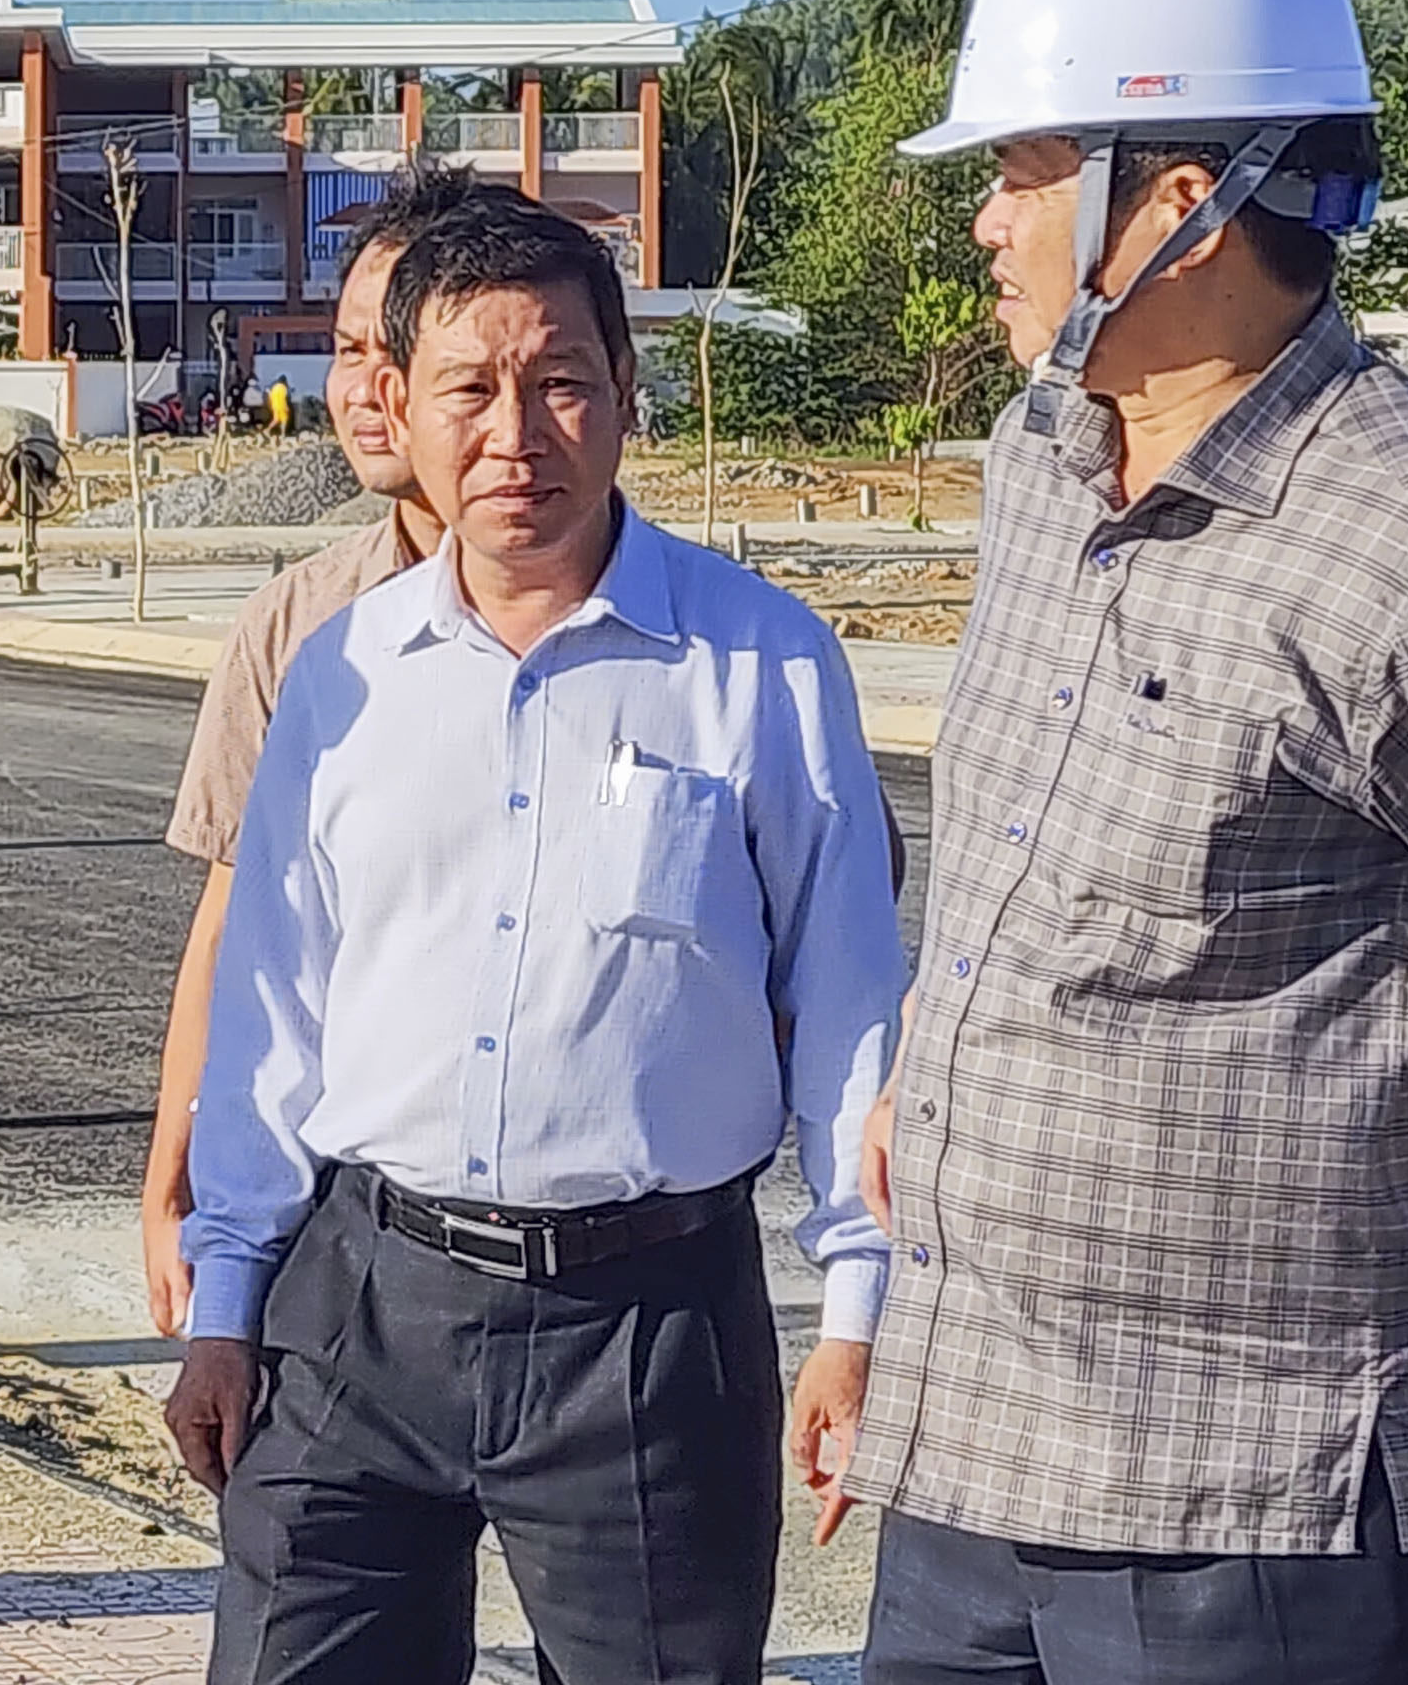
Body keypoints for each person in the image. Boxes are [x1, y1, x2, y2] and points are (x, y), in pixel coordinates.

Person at [846, 0, 1408, 1685]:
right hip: (969, 1441)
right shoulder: (1039, 455)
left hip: (1253, 1503)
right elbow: (1017, 864)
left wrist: (1388, 1238)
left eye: (1019, 170)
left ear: (1175, 205)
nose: (985, 221)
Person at [169, 187, 906, 1685]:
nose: (516, 434)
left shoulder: (761, 664)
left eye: (560, 381)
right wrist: (225, 1305)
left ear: (626, 392)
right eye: (470, 389)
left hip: (645, 1333)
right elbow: (271, 1013)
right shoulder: (343, 674)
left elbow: (850, 1015)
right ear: (399, 408)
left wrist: (859, 1312)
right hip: (358, 1311)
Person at [142, 167, 482, 1335]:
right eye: (346, 349)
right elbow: (231, 923)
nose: (364, 390)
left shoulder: (689, 637)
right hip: (331, 1210)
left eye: (398, 353)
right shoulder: (295, 624)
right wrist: (173, 1168)